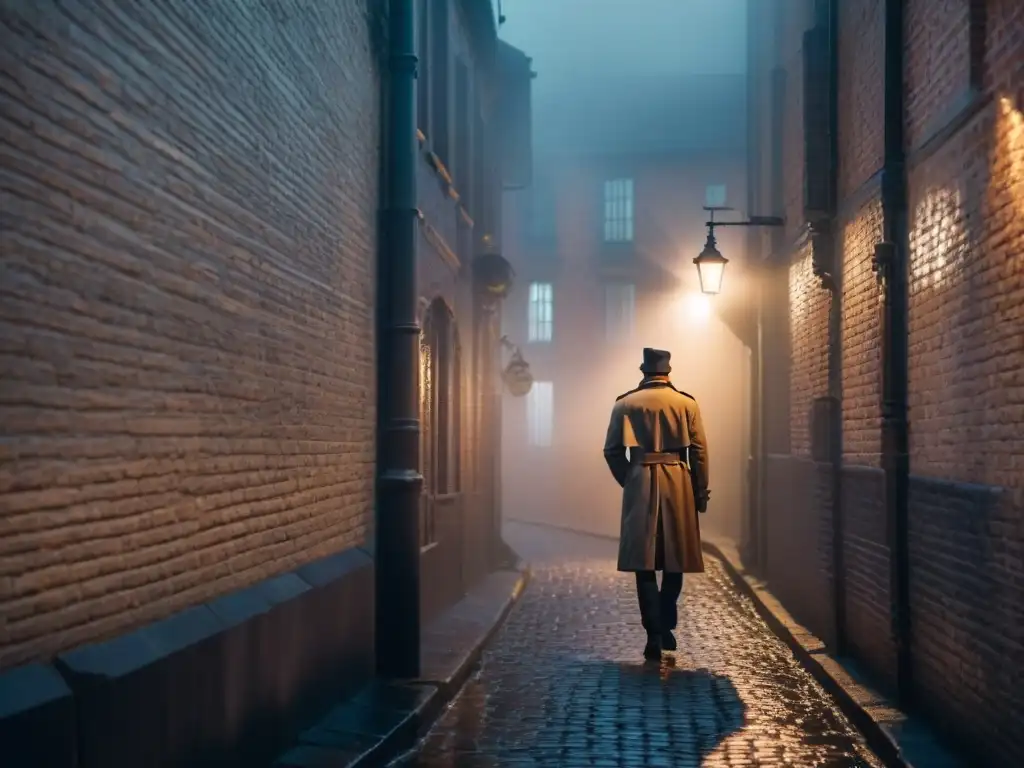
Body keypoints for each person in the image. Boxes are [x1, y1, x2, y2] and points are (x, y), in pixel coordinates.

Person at [603, 347, 711, 660]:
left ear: (644, 372)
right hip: (678, 480)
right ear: (668, 372)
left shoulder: (625, 403)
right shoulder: (686, 403)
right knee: (675, 558)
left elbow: (611, 451)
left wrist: (632, 478)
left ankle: (653, 631)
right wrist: (699, 492)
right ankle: (665, 624)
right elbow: (699, 451)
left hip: (640, 478)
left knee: (644, 561)